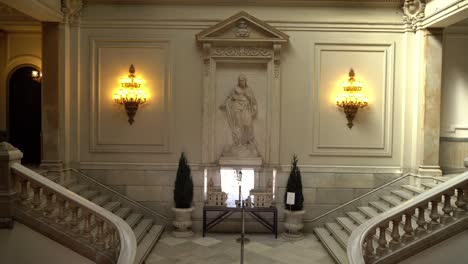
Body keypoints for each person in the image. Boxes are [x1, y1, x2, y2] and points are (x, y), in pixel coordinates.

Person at [220, 74, 258, 152]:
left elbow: (253, 101)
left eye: (243, 80)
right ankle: (238, 143)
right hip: (237, 108)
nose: (242, 82)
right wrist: (224, 104)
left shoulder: (249, 89)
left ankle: (249, 141)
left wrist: (254, 109)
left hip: (245, 108)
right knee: (238, 125)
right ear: (238, 81)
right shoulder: (235, 89)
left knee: (248, 124)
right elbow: (229, 98)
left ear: (245, 81)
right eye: (240, 80)